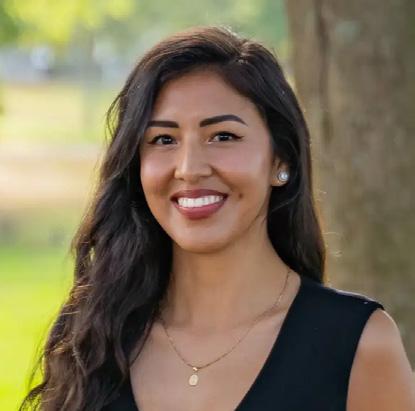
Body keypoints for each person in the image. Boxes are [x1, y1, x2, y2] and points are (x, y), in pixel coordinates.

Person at [21, 26, 415, 411]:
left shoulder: (358, 346)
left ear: (281, 160)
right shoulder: (92, 340)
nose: (189, 168)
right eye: (163, 140)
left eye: (223, 136)